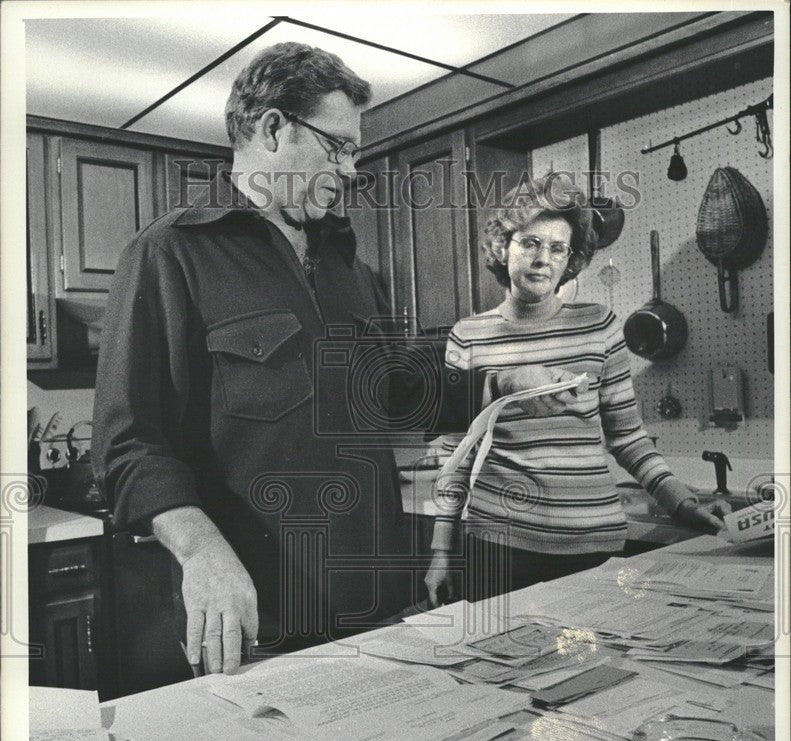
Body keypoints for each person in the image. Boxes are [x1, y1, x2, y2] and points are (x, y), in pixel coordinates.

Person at [95, 42, 554, 674]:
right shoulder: (170, 254)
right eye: (337, 146)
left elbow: (397, 393)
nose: (348, 171)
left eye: (354, 152)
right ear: (273, 127)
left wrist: (506, 383)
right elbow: (126, 445)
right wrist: (202, 551)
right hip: (257, 620)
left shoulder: (351, 266)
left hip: (380, 603)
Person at [425, 174, 728, 607]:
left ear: (571, 259)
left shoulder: (598, 325)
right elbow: (455, 456)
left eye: (557, 248)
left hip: (593, 545)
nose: (542, 259)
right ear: (503, 245)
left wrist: (681, 502)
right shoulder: (469, 335)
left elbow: (629, 440)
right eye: (529, 243)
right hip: (497, 544)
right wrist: (441, 552)